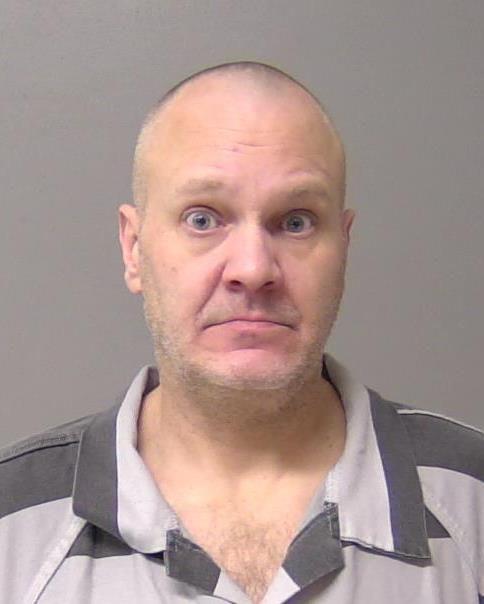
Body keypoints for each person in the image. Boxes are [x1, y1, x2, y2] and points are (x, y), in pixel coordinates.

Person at [1, 62, 483, 604]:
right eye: (203, 219)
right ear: (134, 248)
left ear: (343, 247)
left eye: (296, 221)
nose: (253, 269)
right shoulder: (11, 525)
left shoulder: (473, 500)